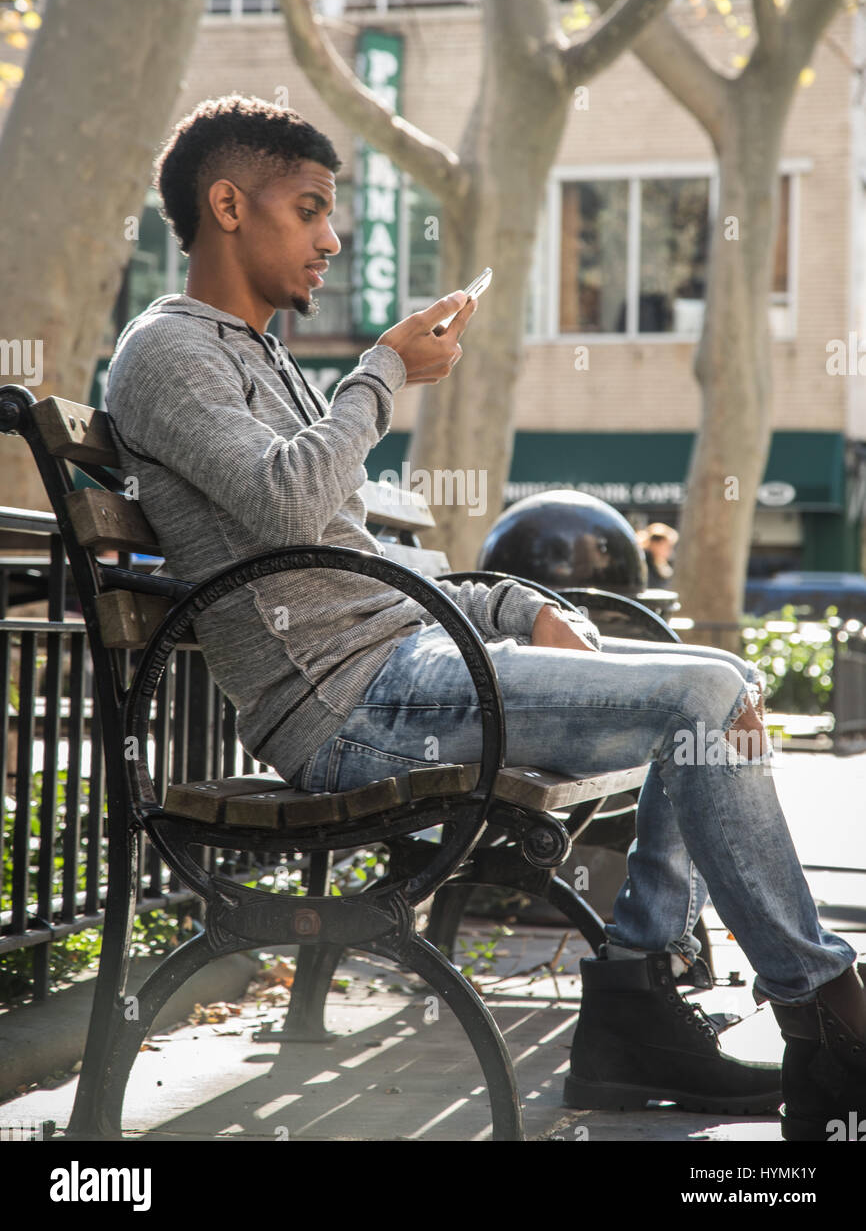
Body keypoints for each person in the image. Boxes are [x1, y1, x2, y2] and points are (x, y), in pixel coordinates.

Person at [106, 95, 864, 1142]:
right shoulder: (164, 353)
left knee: (708, 690)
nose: (331, 237)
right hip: (347, 710)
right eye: (310, 208)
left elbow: (361, 570)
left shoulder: (263, 360)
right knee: (704, 692)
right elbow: (286, 502)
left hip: (399, 664)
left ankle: (654, 995)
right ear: (226, 205)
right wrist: (380, 370)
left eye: (335, 215)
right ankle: (816, 1011)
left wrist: (517, 602)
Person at [636, 521, 678, 588]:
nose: (670, 552)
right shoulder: (642, 562)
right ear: (656, 544)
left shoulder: (658, 564)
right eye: (668, 547)